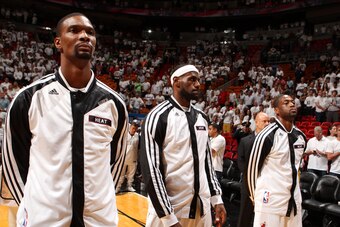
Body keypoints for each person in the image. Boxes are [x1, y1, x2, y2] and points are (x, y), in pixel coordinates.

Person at [0, 13, 128, 226]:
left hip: (97, 220)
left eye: (90, 32)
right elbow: (13, 162)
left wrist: (97, 200)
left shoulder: (114, 103)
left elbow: (114, 164)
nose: (85, 36)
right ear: (58, 42)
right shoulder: (29, 98)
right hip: (45, 220)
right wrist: (34, 204)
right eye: (74, 30)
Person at [140, 64, 227, 227]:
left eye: (198, 80)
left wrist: (217, 199)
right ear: (176, 82)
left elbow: (207, 163)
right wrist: (168, 218)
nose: (197, 84)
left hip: (202, 210)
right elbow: (151, 170)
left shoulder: (202, 117)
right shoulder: (158, 117)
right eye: (192, 79)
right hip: (170, 212)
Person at [247, 94, 307, 227]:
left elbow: (297, 169)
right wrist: (255, 198)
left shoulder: (301, 137)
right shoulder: (266, 135)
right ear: (276, 110)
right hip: (270, 202)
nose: (292, 104)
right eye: (286, 102)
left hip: (293, 202)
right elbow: (252, 169)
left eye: (292, 102)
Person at [237, 111, 270, 227]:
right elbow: (240, 160)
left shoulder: (273, 141)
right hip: (248, 181)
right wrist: (247, 173)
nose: (267, 124)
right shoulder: (245, 141)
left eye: (268, 121)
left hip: (266, 183)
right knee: (245, 213)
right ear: (256, 123)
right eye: (264, 121)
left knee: (264, 216)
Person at [116, 122, 139, 193]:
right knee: (121, 174)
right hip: (124, 158)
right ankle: (118, 187)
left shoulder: (137, 135)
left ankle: (129, 186)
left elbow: (139, 147)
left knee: (131, 174)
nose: (134, 130)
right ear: (130, 127)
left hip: (133, 158)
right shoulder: (125, 134)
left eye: (135, 129)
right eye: (133, 128)